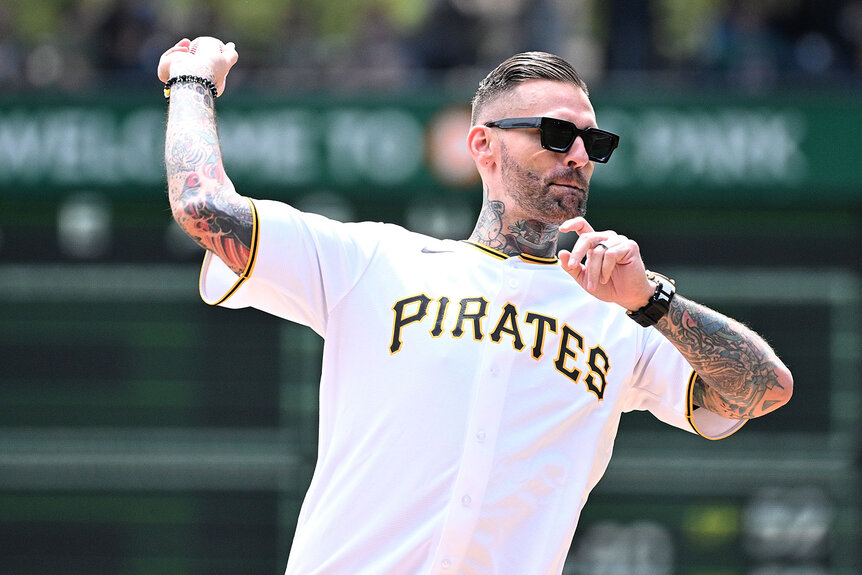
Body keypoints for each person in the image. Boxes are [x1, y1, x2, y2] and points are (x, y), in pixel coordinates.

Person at [158, 36, 792, 575]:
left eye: (591, 142)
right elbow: (203, 208)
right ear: (483, 146)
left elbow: (763, 389)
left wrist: (651, 301)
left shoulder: (619, 313)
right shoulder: (373, 261)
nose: (577, 154)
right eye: (555, 133)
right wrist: (190, 80)